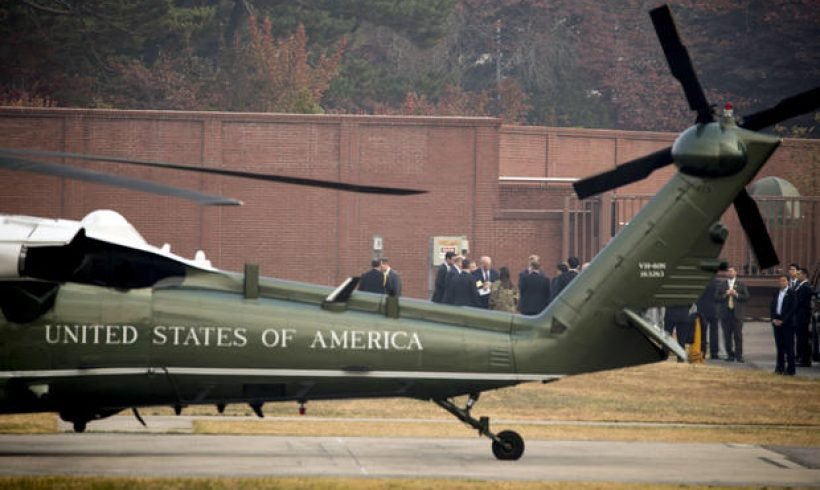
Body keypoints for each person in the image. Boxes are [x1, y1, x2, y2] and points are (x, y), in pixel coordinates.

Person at [714, 266, 749, 362]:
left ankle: (739, 356)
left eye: (732, 271)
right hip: (726, 314)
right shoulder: (722, 284)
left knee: (738, 336)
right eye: (728, 271)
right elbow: (716, 297)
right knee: (727, 336)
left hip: (737, 314)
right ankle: (730, 355)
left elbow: (746, 297)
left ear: (735, 273)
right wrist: (725, 294)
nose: (730, 273)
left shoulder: (741, 284)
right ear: (726, 274)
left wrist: (736, 294)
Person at [770, 274, 796, 375]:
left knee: (789, 347)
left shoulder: (792, 293)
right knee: (779, 346)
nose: (782, 282)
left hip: (788, 323)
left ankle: (790, 369)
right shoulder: (776, 293)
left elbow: (792, 309)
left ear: (788, 282)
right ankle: (779, 367)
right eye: (780, 281)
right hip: (777, 322)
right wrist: (773, 319)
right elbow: (772, 307)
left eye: (784, 281)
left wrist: (783, 321)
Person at [696, 274, 721, 359]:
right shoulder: (718, 282)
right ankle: (714, 354)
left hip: (702, 310)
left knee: (702, 333)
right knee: (714, 333)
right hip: (714, 310)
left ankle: (702, 352)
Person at [794, 267, 813, 367]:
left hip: (802, 316)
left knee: (803, 338)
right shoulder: (800, 285)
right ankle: (800, 357)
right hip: (799, 316)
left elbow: (801, 302)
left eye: (799, 274)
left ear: (805, 275)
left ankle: (804, 360)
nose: (797, 276)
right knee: (800, 338)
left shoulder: (806, 287)